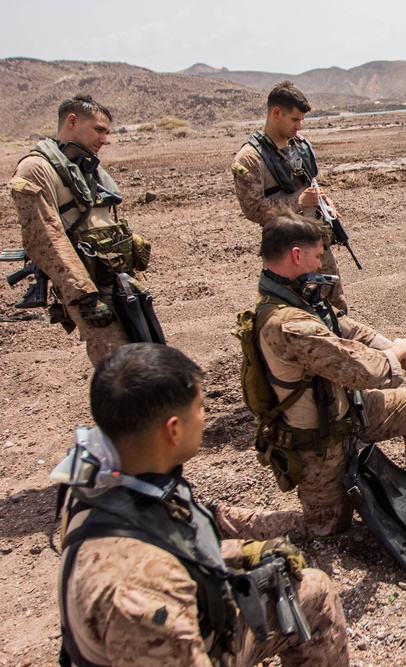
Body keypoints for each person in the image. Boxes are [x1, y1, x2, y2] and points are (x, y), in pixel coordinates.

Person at [56, 343, 350, 666]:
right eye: (200, 406)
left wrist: (244, 552)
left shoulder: (100, 479)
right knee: (315, 593)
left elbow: (171, 539)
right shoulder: (143, 596)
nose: (204, 415)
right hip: (173, 644)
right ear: (173, 429)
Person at [213, 214, 406, 541]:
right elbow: (359, 370)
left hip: (351, 413)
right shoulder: (285, 323)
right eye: (318, 256)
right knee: (326, 529)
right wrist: (398, 355)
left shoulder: (301, 297)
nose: (321, 263)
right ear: (296, 255)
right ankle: (223, 519)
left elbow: (352, 330)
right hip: (319, 443)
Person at [9, 96, 143, 366]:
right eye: (99, 130)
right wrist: (84, 296)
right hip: (90, 289)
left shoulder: (83, 166)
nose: (104, 139)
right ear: (72, 121)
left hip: (117, 281)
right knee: (120, 369)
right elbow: (44, 238)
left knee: (144, 353)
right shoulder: (36, 169)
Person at [232, 81, 348, 313]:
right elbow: (253, 209)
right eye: (294, 119)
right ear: (276, 113)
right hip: (287, 255)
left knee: (336, 309)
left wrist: (324, 202)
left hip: (317, 244)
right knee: (297, 314)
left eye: (301, 120)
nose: (299, 126)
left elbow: (310, 183)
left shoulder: (300, 145)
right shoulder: (250, 158)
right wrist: (298, 203)